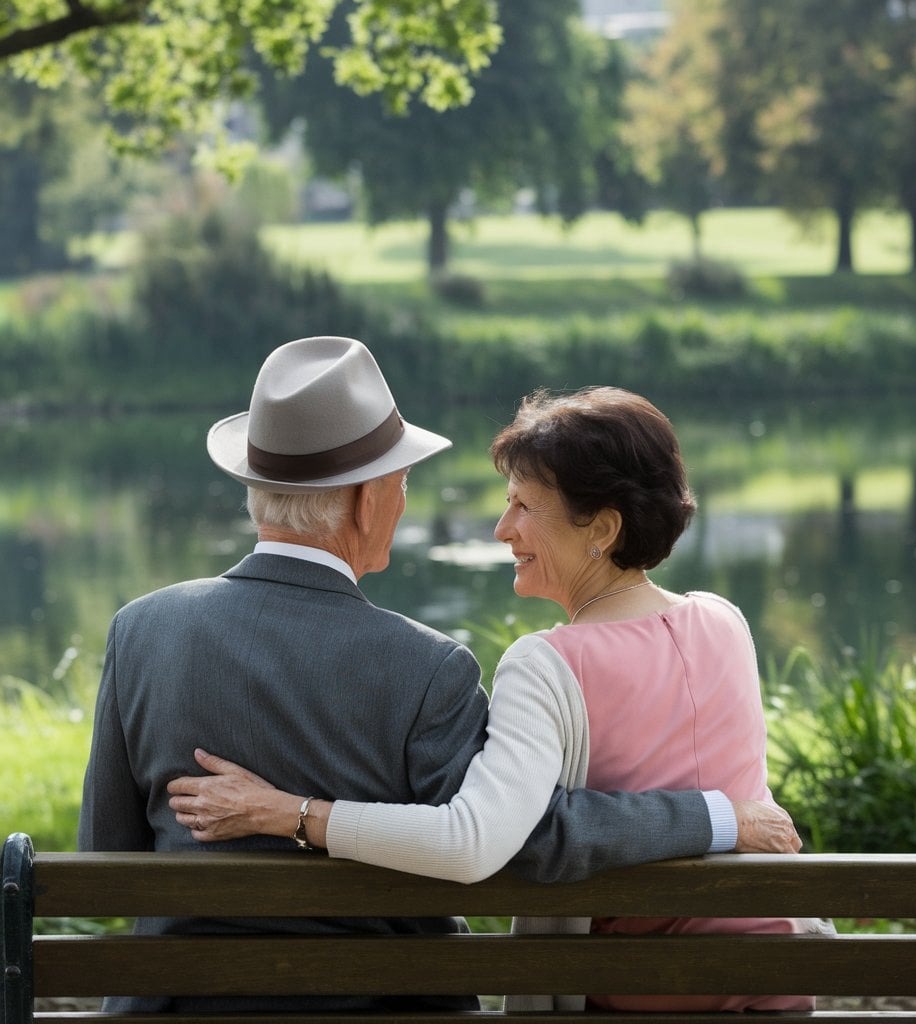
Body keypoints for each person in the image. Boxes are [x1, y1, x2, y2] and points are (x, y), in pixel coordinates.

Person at [80, 339, 800, 1016]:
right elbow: (512, 843)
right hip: (394, 1007)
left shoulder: (141, 630)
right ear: (366, 500)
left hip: (178, 1002)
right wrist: (721, 816)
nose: (405, 502)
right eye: (399, 483)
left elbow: (104, 857)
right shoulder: (430, 667)